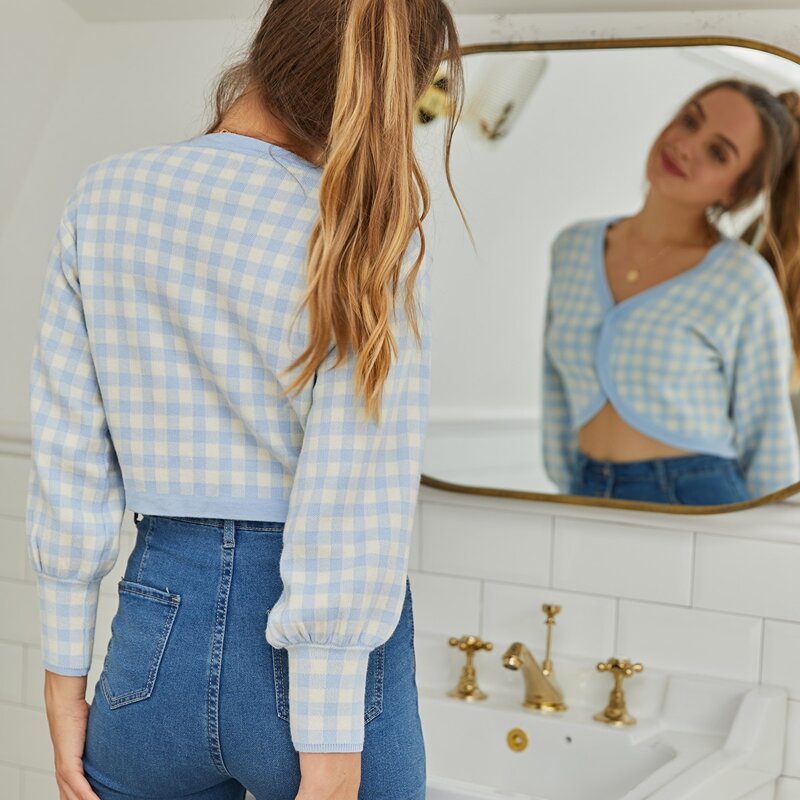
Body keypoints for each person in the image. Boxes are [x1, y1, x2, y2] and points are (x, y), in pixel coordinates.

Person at [25, 2, 469, 799]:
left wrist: (62, 679)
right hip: (319, 674)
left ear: (269, 44)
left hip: (152, 638)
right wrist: (330, 741)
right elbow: (350, 494)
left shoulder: (106, 199)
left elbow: (69, 459)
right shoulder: (366, 234)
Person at [542, 78, 800, 506]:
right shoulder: (572, 248)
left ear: (737, 190)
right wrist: (568, 485)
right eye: (689, 121)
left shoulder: (743, 282)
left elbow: (767, 437)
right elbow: (553, 392)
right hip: (585, 487)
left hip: (697, 496)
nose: (685, 146)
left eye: (718, 152)